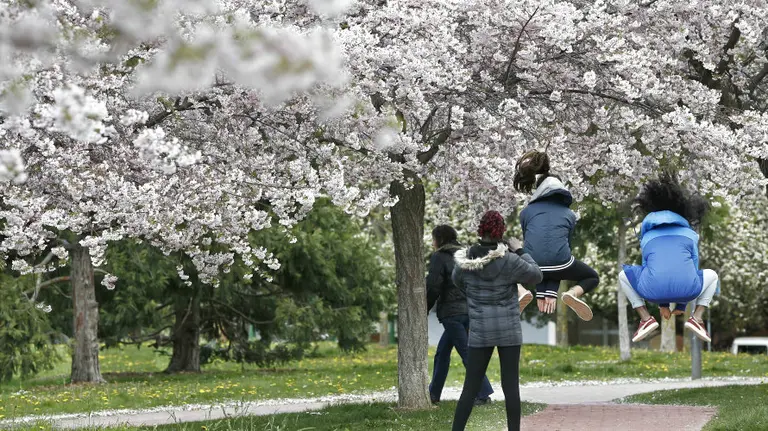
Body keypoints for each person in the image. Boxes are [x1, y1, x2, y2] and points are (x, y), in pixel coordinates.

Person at [451, 211, 543, 431]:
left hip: (480, 330)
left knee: (470, 387)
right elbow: (536, 276)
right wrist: (520, 250)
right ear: (501, 232)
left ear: (480, 230)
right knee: (511, 387)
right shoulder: (510, 260)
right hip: (508, 330)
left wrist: (475, 295)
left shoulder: (465, 261)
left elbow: (457, 282)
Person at [619, 171, 719, 343]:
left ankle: (645, 318)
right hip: (689, 290)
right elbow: (691, 268)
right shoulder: (690, 235)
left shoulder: (647, 238)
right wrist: (681, 305)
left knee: (623, 275)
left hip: (650, 291)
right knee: (712, 275)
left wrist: (662, 305)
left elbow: (649, 268)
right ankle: (697, 317)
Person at [513, 150, 599, 321]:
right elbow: (558, 250)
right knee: (592, 277)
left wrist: (541, 293)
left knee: (502, 270)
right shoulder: (569, 214)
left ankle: (521, 291)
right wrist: (551, 292)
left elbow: (534, 248)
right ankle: (572, 294)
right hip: (562, 264)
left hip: (533, 264)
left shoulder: (526, 212)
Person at [426, 225, 494, 405]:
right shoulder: (466, 254)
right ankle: (433, 394)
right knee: (442, 352)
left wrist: (424, 308)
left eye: (433, 239)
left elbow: (433, 286)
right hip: (468, 311)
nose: (432, 243)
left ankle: (483, 393)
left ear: (439, 239)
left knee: (466, 352)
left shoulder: (439, 257)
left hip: (452, 313)